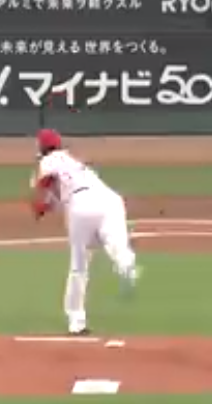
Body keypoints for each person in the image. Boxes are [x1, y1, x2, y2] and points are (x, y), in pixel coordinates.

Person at [29, 128, 139, 336]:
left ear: (43, 147)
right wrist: (45, 204)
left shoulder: (48, 161)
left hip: (80, 206)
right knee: (113, 239)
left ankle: (76, 321)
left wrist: (38, 203)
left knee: (79, 267)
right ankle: (125, 263)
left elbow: (46, 185)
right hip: (108, 199)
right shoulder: (73, 161)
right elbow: (55, 193)